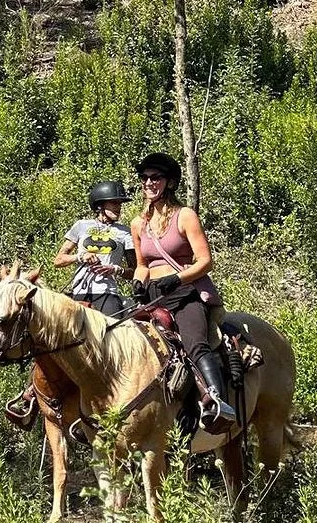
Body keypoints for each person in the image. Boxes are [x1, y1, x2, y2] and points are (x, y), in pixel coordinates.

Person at [129, 152, 236, 426]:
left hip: (184, 293)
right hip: (153, 295)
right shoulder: (138, 224)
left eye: (156, 177)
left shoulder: (185, 216)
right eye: (145, 178)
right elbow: (142, 264)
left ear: (170, 182)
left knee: (194, 343)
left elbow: (205, 261)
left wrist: (178, 278)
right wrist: (139, 281)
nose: (149, 183)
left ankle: (217, 402)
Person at [53, 180, 136, 317]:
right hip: (80, 293)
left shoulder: (125, 232)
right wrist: (80, 256)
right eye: (114, 202)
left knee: (116, 330)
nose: (119, 207)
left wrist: (116, 269)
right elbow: (58, 260)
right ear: (100, 205)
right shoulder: (81, 226)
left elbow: (135, 270)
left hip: (107, 292)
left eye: (120, 203)